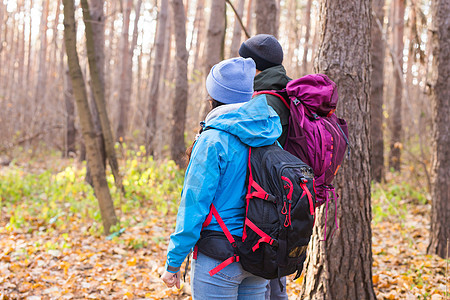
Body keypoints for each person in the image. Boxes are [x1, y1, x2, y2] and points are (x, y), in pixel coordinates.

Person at [161, 57, 282, 299]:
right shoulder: (269, 134)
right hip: (258, 254)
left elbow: (194, 205)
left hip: (218, 260)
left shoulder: (212, 140)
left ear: (214, 97)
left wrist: (173, 263)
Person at [239, 34, 291, 300]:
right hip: (283, 196)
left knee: (270, 281)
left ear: (255, 66)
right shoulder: (284, 91)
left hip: (266, 199)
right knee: (274, 280)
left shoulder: (265, 101)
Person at [239, 34, 292, 147]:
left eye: (244, 61)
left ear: (255, 66)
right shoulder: (283, 89)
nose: (240, 66)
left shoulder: (262, 103)